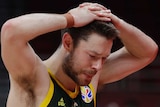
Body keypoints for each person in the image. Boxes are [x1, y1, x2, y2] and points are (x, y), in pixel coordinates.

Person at [0, 2, 158, 107]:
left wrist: (111, 19)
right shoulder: (34, 78)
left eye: (104, 58)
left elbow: (147, 52)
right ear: (68, 43)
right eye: (92, 56)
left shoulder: (89, 77)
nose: (98, 66)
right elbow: (11, 31)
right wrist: (70, 19)